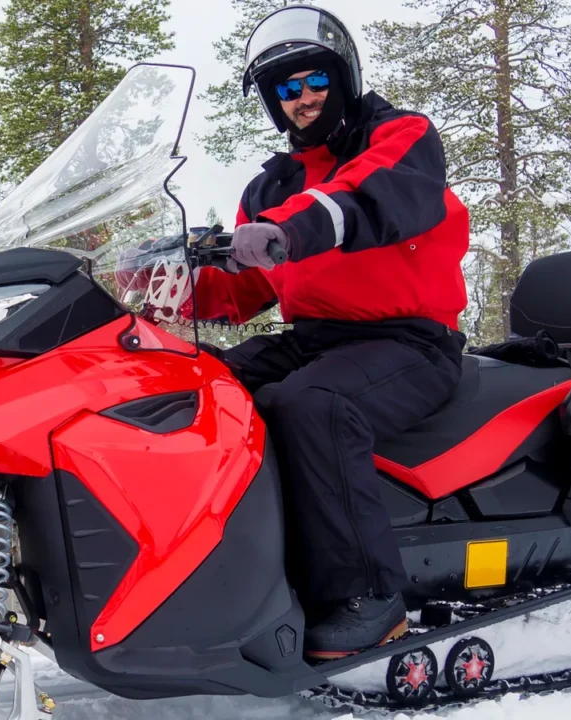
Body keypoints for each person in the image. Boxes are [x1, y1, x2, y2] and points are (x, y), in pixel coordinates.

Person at [195, 5, 470, 659]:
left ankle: (369, 597)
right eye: (285, 90)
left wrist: (287, 232)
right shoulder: (274, 185)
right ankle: (221, 576)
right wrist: (169, 277)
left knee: (313, 403)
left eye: (313, 80)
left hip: (409, 341)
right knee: (202, 384)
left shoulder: (399, 139)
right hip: (316, 336)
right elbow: (241, 288)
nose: (303, 99)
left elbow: (361, 201)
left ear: (341, 76)